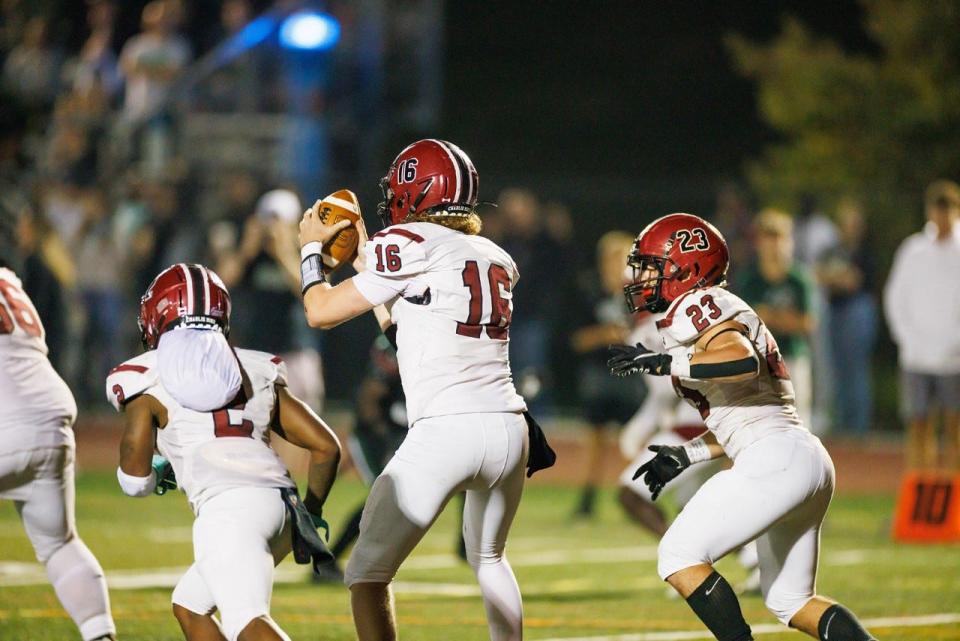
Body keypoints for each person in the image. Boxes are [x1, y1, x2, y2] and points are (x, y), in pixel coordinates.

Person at [298, 139, 552, 641]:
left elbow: (319, 312)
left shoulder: (411, 243)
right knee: (489, 558)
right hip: (509, 428)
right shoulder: (491, 254)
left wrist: (310, 251)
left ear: (414, 191)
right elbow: (405, 327)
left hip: (446, 432)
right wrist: (364, 256)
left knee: (365, 574)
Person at [608, 213, 876, 641]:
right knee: (791, 601)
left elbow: (741, 362)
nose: (641, 278)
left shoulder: (696, 304)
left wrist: (666, 361)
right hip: (797, 455)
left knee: (678, 555)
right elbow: (744, 415)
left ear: (686, 270)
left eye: (653, 267)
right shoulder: (712, 306)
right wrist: (688, 454)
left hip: (774, 458)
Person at [107, 263, 341, 641]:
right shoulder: (254, 367)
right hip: (283, 505)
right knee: (190, 606)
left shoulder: (145, 376)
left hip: (229, 511)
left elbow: (135, 482)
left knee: (246, 621)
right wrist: (309, 517)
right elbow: (326, 447)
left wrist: (157, 468)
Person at [0, 257, 116, 641]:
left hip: (7, 419)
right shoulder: (10, 281)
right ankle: (100, 634)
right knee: (59, 544)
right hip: (50, 415)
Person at [616, 309, 760, 594]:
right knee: (694, 506)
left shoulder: (651, 330)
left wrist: (639, 426)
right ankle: (757, 563)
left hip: (693, 427)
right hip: (712, 422)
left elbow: (668, 389)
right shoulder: (678, 320)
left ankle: (684, 564)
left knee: (629, 494)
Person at [884, 180, 960, 469]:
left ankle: (954, 503)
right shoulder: (914, 250)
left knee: (954, 427)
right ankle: (919, 498)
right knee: (918, 426)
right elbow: (896, 297)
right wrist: (907, 338)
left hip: (954, 359)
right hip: (916, 356)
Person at [569, 231, 641, 517]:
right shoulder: (587, 292)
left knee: (636, 438)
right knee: (595, 440)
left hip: (632, 373)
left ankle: (638, 495)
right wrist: (606, 335)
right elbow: (575, 340)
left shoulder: (641, 295)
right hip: (599, 372)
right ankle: (587, 500)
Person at [734, 209, 817, 431]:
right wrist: (783, 318)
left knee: (798, 420)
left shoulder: (799, 279)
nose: (774, 246)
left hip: (792, 356)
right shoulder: (749, 279)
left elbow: (807, 322)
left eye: (779, 238)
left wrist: (770, 316)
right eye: (768, 239)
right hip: (758, 360)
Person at [819, 199, 877, 435]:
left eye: (853, 224)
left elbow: (854, 282)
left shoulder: (866, 252)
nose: (848, 228)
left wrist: (837, 279)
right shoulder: (833, 250)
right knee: (837, 367)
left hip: (857, 310)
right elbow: (819, 275)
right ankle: (842, 424)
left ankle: (859, 426)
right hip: (835, 310)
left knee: (856, 368)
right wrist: (838, 279)